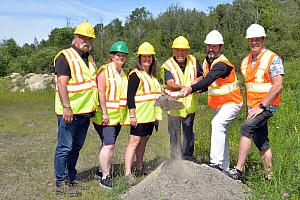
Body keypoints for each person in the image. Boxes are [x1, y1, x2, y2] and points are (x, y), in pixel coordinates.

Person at [226, 24, 284, 182]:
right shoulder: (245, 61)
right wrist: (250, 110)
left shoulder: (273, 58)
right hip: (254, 107)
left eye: (257, 39)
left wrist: (261, 106)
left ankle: (238, 171)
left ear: (263, 40)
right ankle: (269, 177)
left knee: (246, 127)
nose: (254, 42)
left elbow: (278, 85)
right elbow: (249, 88)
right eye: (251, 40)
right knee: (261, 141)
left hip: (268, 105)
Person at [180, 30, 243, 171]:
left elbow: (208, 80)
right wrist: (195, 90)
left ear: (221, 47)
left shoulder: (222, 64)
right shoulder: (207, 62)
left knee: (217, 124)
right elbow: (210, 85)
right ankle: (224, 167)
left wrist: (190, 88)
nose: (211, 49)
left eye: (214, 46)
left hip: (231, 102)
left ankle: (215, 164)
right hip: (219, 105)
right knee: (221, 132)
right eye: (209, 46)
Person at [53, 22, 98, 195]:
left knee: (76, 146)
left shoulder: (89, 58)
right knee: (65, 146)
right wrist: (66, 107)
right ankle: (61, 183)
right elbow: (61, 83)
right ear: (76, 37)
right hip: (69, 112)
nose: (86, 40)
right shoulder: (65, 56)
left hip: (85, 112)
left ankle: (71, 178)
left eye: (90, 38)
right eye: (83, 37)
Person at [92, 41, 129, 189]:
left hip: (117, 117)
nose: (121, 58)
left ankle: (100, 170)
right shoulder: (104, 70)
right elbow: (101, 92)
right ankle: (105, 177)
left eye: (123, 56)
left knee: (106, 144)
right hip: (105, 116)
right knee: (109, 145)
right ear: (112, 57)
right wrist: (105, 112)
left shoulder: (124, 74)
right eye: (118, 55)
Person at [124, 42, 162, 185]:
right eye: (144, 56)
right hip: (139, 117)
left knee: (143, 143)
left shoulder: (152, 76)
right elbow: (130, 97)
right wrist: (132, 115)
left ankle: (139, 168)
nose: (147, 59)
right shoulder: (135, 74)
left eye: (149, 56)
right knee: (133, 143)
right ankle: (128, 173)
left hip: (150, 117)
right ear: (139, 58)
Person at [161, 36, 203, 161]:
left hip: (189, 105)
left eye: (183, 50)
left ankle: (188, 157)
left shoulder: (194, 61)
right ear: (173, 50)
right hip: (173, 105)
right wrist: (186, 87)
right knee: (174, 133)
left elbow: (201, 76)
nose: (180, 53)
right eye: (177, 50)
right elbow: (170, 82)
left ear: (187, 51)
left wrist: (197, 81)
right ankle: (176, 158)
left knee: (188, 132)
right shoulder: (168, 65)